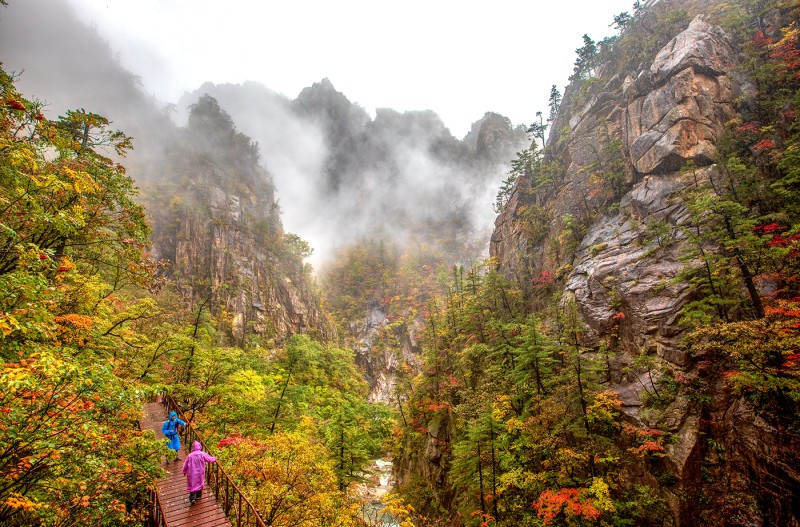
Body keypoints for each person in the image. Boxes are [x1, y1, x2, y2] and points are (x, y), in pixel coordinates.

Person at [182, 440, 217, 505]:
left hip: (192, 473)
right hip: (200, 472)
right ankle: (198, 495)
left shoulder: (190, 455)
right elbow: (209, 459)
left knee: (193, 484)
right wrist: (215, 458)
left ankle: (192, 498)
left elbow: (186, 464)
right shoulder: (202, 454)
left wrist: (184, 470)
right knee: (200, 483)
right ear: (199, 447)